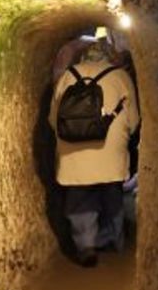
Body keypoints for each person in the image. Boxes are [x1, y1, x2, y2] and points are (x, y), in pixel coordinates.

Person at [49, 37, 140, 266]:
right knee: (112, 193)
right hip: (109, 148)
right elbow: (133, 119)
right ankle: (115, 241)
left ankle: (86, 246)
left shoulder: (68, 76)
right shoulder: (120, 76)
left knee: (79, 198)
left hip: (72, 149)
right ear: (109, 56)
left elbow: (53, 118)